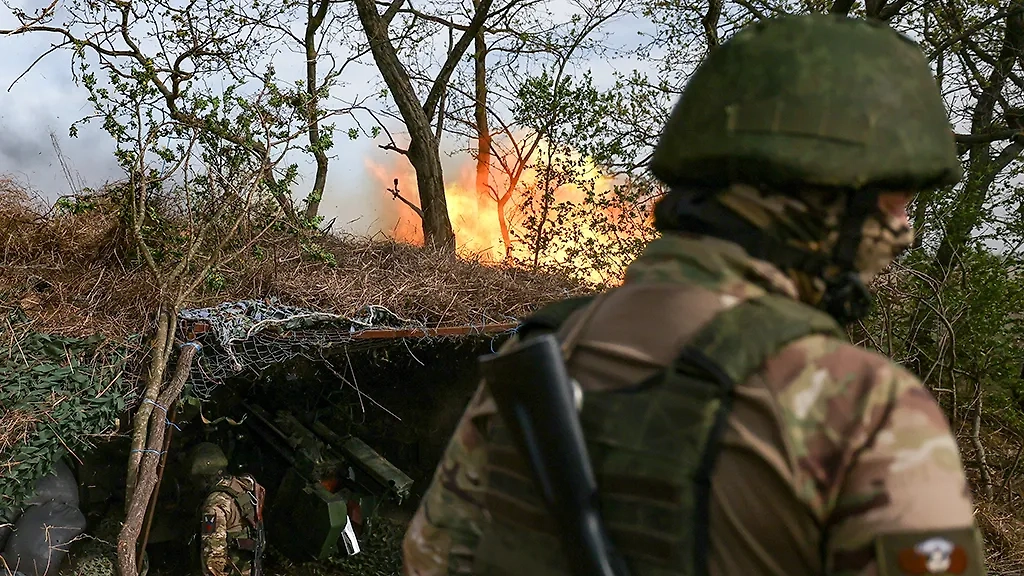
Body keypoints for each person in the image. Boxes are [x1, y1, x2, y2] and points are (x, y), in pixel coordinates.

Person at [402, 13, 987, 576]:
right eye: (894, 200)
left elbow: (430, 558)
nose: (905, 230)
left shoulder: (542, 351)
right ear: (820, 199)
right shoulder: (866, 411)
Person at [188, 443, 266, 576]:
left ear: (206, 477)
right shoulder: (243, 486)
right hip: (250, 567)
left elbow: (213, 555)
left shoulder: (214, 505)